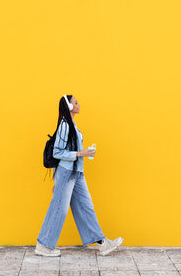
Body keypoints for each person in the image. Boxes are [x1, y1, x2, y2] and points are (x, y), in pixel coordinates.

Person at [35, 94, 123, 257]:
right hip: (67, 172)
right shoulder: (64, 125)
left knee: (86, 206)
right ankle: (44, 245)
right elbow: (57, 152)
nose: (79, 104)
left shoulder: (72, 124)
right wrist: (81, 153)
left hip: (77, 173)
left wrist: (82, 154)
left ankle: (102, 243)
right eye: (76, 102)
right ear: (68, 106)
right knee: (59, 209)